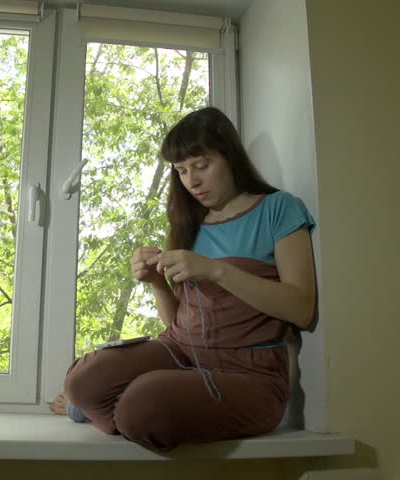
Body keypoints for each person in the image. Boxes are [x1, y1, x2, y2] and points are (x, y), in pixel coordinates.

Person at [50, 106, 317, 452]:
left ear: (230, 157)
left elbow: (301, 309)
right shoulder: (188, 224)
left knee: (142, 403)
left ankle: (123, 410)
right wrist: (157, 283)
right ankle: (110, 407)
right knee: (83, 380)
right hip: (180, 351)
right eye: (181, 170)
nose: (191, 181)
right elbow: (180, 322)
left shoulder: (278, 208)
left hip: (252, 374)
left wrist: (216, 270)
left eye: (201, 165)